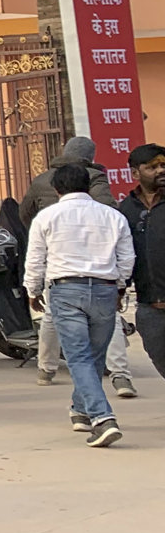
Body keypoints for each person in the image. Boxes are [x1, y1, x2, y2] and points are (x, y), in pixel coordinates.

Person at [24, 161, 132, 448]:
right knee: (93, 356)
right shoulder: (113, 216)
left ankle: (102, 417)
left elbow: (35, 260)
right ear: (88, 185)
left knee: (80, 357)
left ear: (56, 188)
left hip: (65, 289)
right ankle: (80, 409)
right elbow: (127, 258)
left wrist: (32, 291)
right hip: (105, 289)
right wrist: (120, 286)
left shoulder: (47, 217)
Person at [119, 143, 165, 378]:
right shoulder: (126, 210)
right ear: (135, 173)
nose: (160, 170)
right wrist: (118, 290)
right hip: (150, 307)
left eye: (163, 165)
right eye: (152, 167)